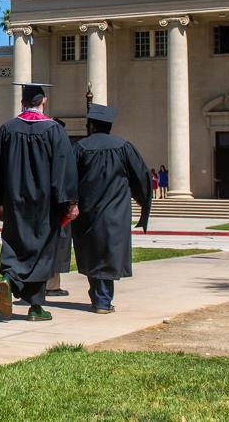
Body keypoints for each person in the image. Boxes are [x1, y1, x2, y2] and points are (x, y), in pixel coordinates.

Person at [0, 83, 78, 323]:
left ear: (22, 103)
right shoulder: (54, 130)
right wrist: (69, 201)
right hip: (44, 205)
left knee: (15, 243)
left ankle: (9, 278)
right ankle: (35, 307)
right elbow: (63, 169)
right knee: (42, 251)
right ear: (43, 101)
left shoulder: (7, 129)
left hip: (15, 201)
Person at [70, 103, 151, 314]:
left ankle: (100, 297)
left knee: (92, 253)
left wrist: (70, 203)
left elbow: (68, 179)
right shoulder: (124, 147)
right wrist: (142, 200)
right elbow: (141, 177)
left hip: (88, 211)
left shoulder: (80, 148)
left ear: (91, 125)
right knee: (109, 252)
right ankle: (103, 300)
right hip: (116, 211)